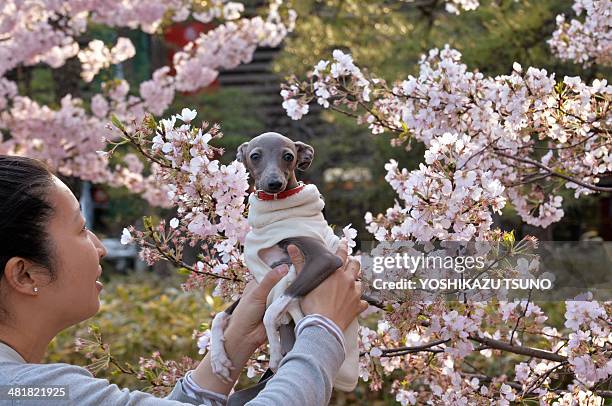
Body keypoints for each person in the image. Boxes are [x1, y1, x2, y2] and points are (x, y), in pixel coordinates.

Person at [0, 155, 367, 405]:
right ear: (24, 273)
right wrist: (324, 330)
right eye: (81, 229)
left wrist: (232, 346)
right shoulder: (27, 390)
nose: (100, 248)